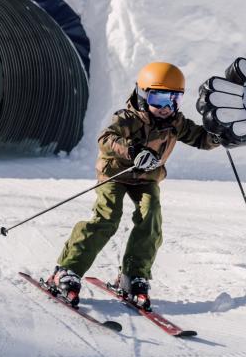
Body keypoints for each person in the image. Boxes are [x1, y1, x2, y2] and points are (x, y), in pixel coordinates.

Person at [46, 62, 219, 310]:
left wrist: (219, 134)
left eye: (173, 99)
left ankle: (134, 275)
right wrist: (132, 150)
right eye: (158, 98)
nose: (165, 107)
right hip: (116, 174)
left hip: (146, 179)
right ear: (142, 94)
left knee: (151, 216)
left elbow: (202, 139)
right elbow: (105, 139)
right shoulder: (127, 118)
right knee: (108, 217)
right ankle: (67, 270)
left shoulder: (176, 123)